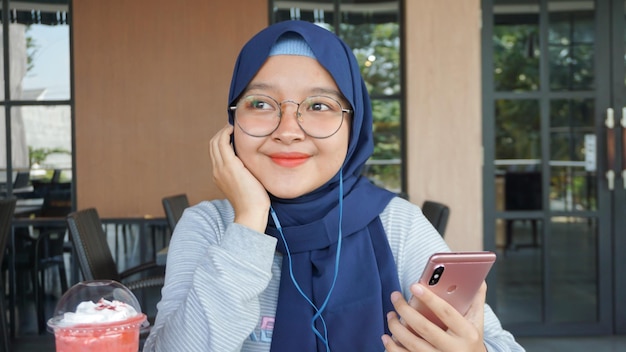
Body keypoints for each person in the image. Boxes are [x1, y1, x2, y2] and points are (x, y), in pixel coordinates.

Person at [144, 20, 524, 352]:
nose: (288, 131)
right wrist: (248, 222)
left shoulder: (397, 226)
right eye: (260, 104)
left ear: (352, 127)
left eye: (320, 106)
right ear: (231, 122)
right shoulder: (208, 227)